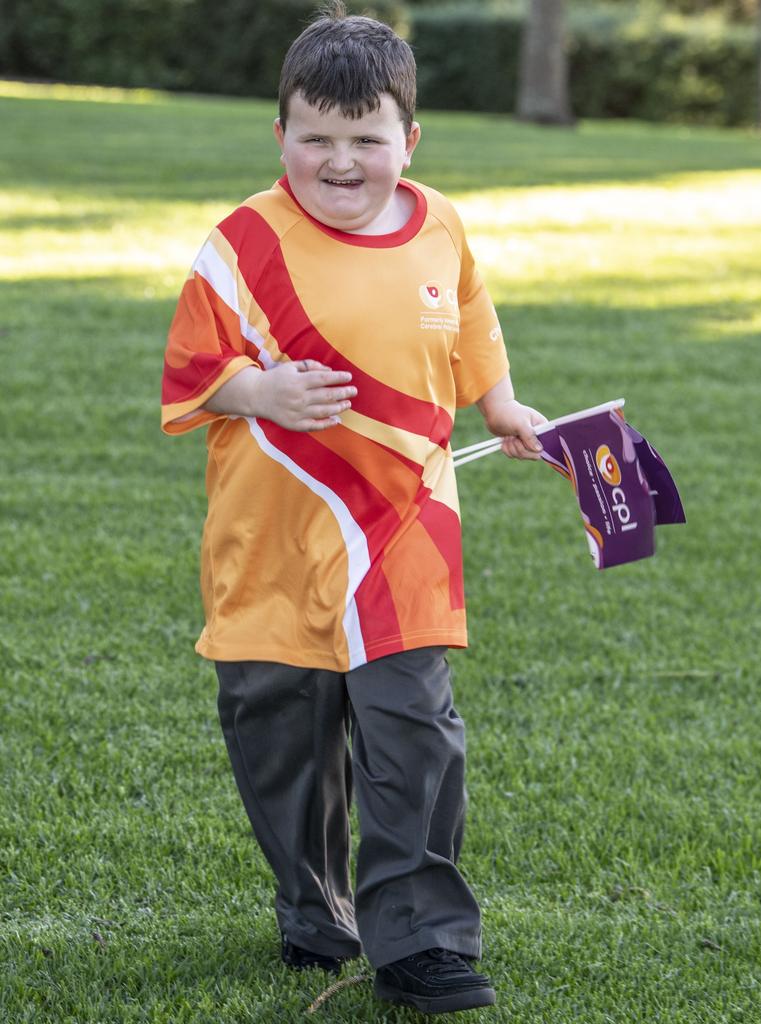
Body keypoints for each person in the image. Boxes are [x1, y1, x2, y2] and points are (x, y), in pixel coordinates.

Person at [161, 1, 545, 1013]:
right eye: (315, 137)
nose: (340, 160)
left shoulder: (442, 226)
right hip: (273, 544)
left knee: (414, 732)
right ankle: (313, 905)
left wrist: (502, 404)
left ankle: (422, 941)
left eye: (365, 139)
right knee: (280, 734)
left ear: (407, 141)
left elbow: (471, 325)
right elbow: (197, 368)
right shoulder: (239, 242)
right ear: (279, 133)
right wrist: (262, 391)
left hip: (403, 530)